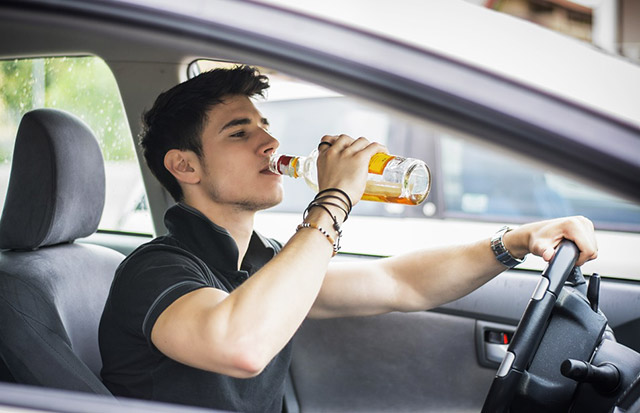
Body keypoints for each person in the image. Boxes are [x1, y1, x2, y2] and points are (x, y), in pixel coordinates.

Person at [98, 65, 598, 412]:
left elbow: (400, 282)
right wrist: (334, 197)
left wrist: (514, 241)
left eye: (264, 125)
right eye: (238, 132)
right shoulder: (155, 269)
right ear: (184, 165)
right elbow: (241, 345)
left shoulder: (261, 261)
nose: (269, 142)